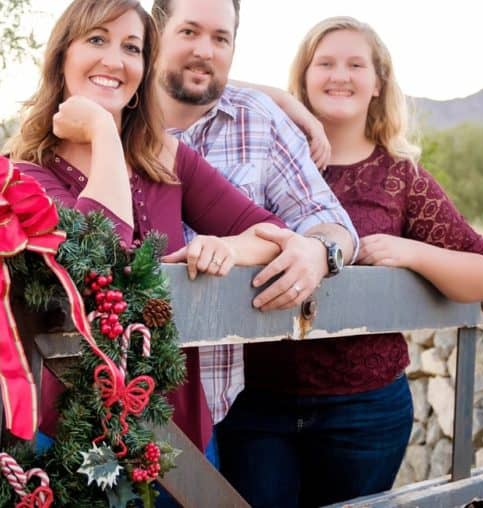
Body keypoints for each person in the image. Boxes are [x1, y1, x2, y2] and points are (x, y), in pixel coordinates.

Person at [215, 16, 483, 507]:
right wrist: (281, 103)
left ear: (377, 82)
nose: (338, 75)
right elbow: (191, 77)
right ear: (303, 77)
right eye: (323, 63)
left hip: (364, 410)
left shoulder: (400, 176)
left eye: (355, 64)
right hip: (256, 401)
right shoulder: (270, 157)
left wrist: (412, 252)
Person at [6, 0, 288, 455]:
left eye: (132, 48)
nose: (115, 60)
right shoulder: (25, 174)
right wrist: (100, 128)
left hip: (180, 435)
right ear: (62, 57)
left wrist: (228, 249)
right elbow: (100, 254)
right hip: (72, 440)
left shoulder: (169, 160)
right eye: (97, 39)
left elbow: (274, 234)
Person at [149, 0, 360, 436]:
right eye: (189, 32)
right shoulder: (115, 113)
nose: (205, 50)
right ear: (156, 33)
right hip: (100, 403)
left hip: (215, 408)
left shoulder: (258, 120)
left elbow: (327, 218)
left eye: (220, 38)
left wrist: (319, 252)